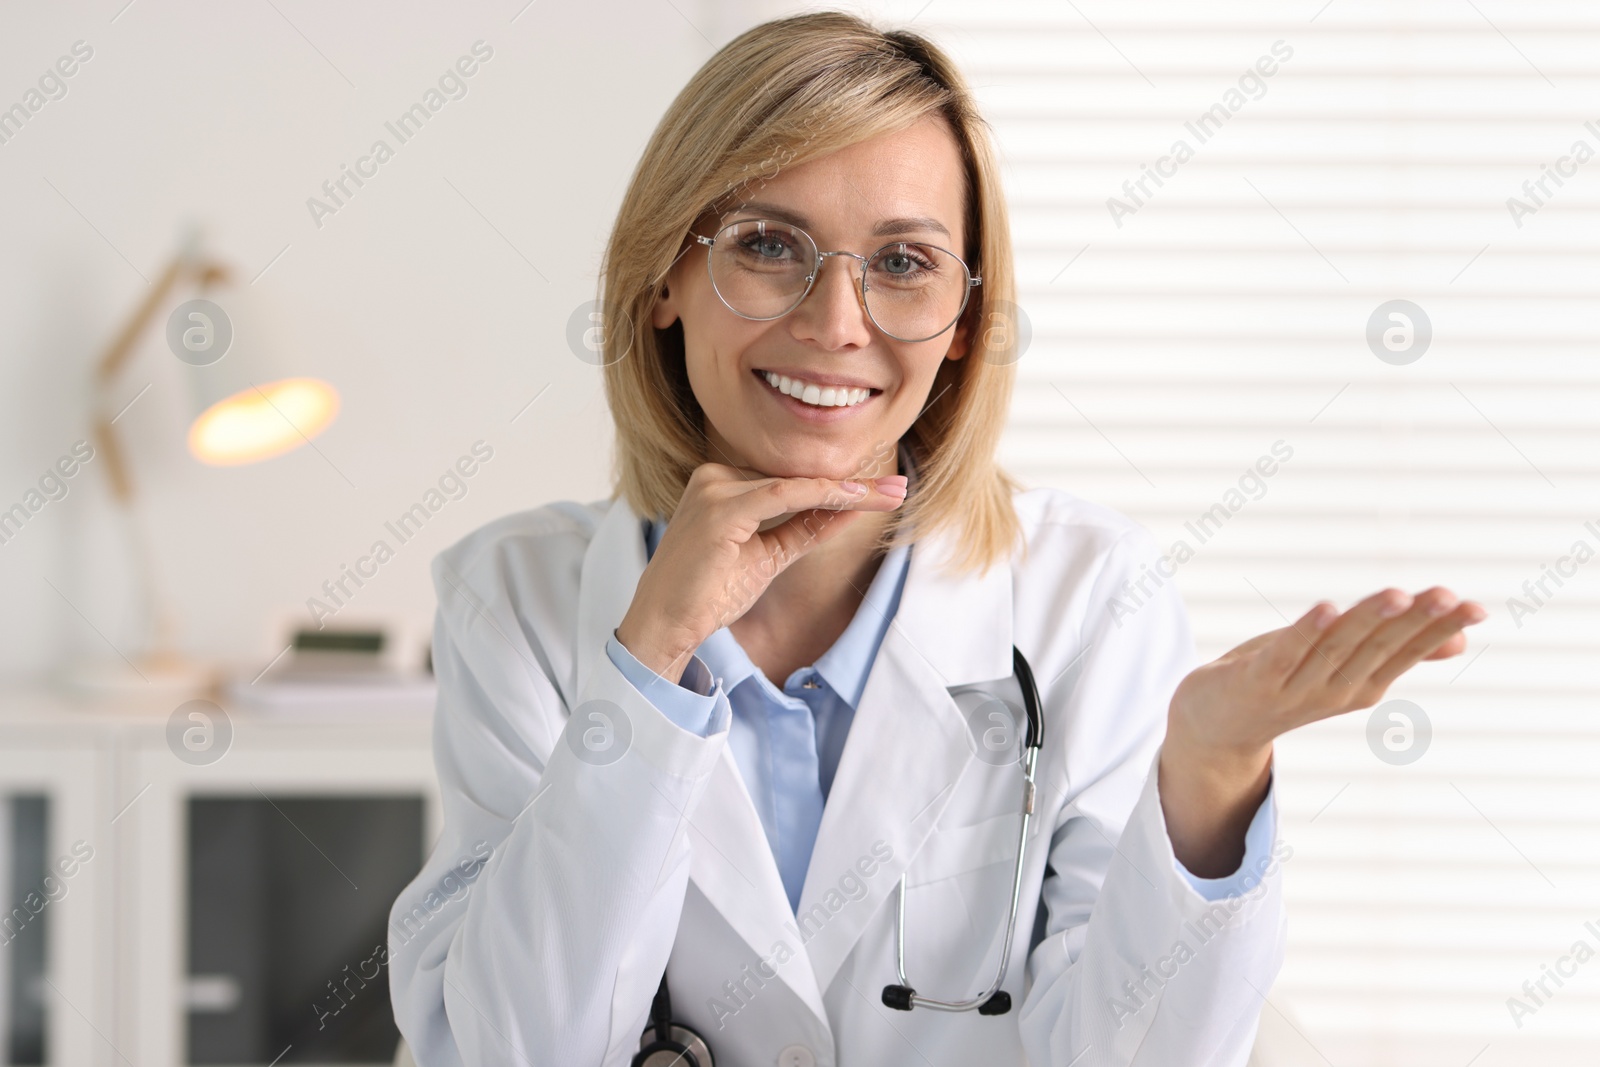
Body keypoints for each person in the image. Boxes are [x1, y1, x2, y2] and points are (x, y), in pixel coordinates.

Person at [387, 12, 1485, 1066]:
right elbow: (516, 1047)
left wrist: (1209, 772)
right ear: (665, 276)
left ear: (964, 322)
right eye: (770, 245)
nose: (836, 321)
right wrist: (648, 666)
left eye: (904, 262)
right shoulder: (516, 598)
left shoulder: (1089, 597)